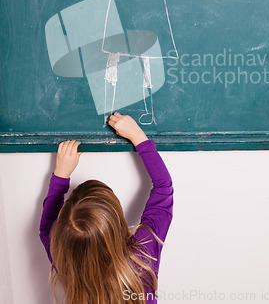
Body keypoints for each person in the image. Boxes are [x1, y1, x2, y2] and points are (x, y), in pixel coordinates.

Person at [39, 113, 173, 304]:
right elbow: (163, 187)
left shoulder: (65, 262)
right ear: (118, 222)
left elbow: (46, 229)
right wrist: (138, 136)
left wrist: (61, 176)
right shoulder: (141, 258)